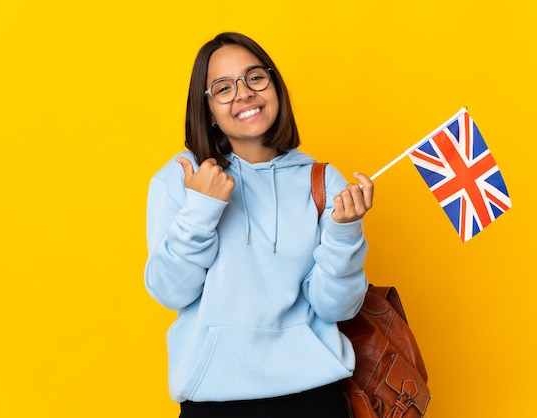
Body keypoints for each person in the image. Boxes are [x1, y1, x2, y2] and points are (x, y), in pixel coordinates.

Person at [144, 32, 374, 418]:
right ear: (208, 110)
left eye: (255, 77)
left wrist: (344, 232)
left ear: (274, 85)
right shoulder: (183, 177)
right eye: (223, 87)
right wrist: (202, 208)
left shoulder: (322, 181)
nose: (244, 93)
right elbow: (170, 291)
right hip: (213, 401)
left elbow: (336, 307)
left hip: (313, 396)